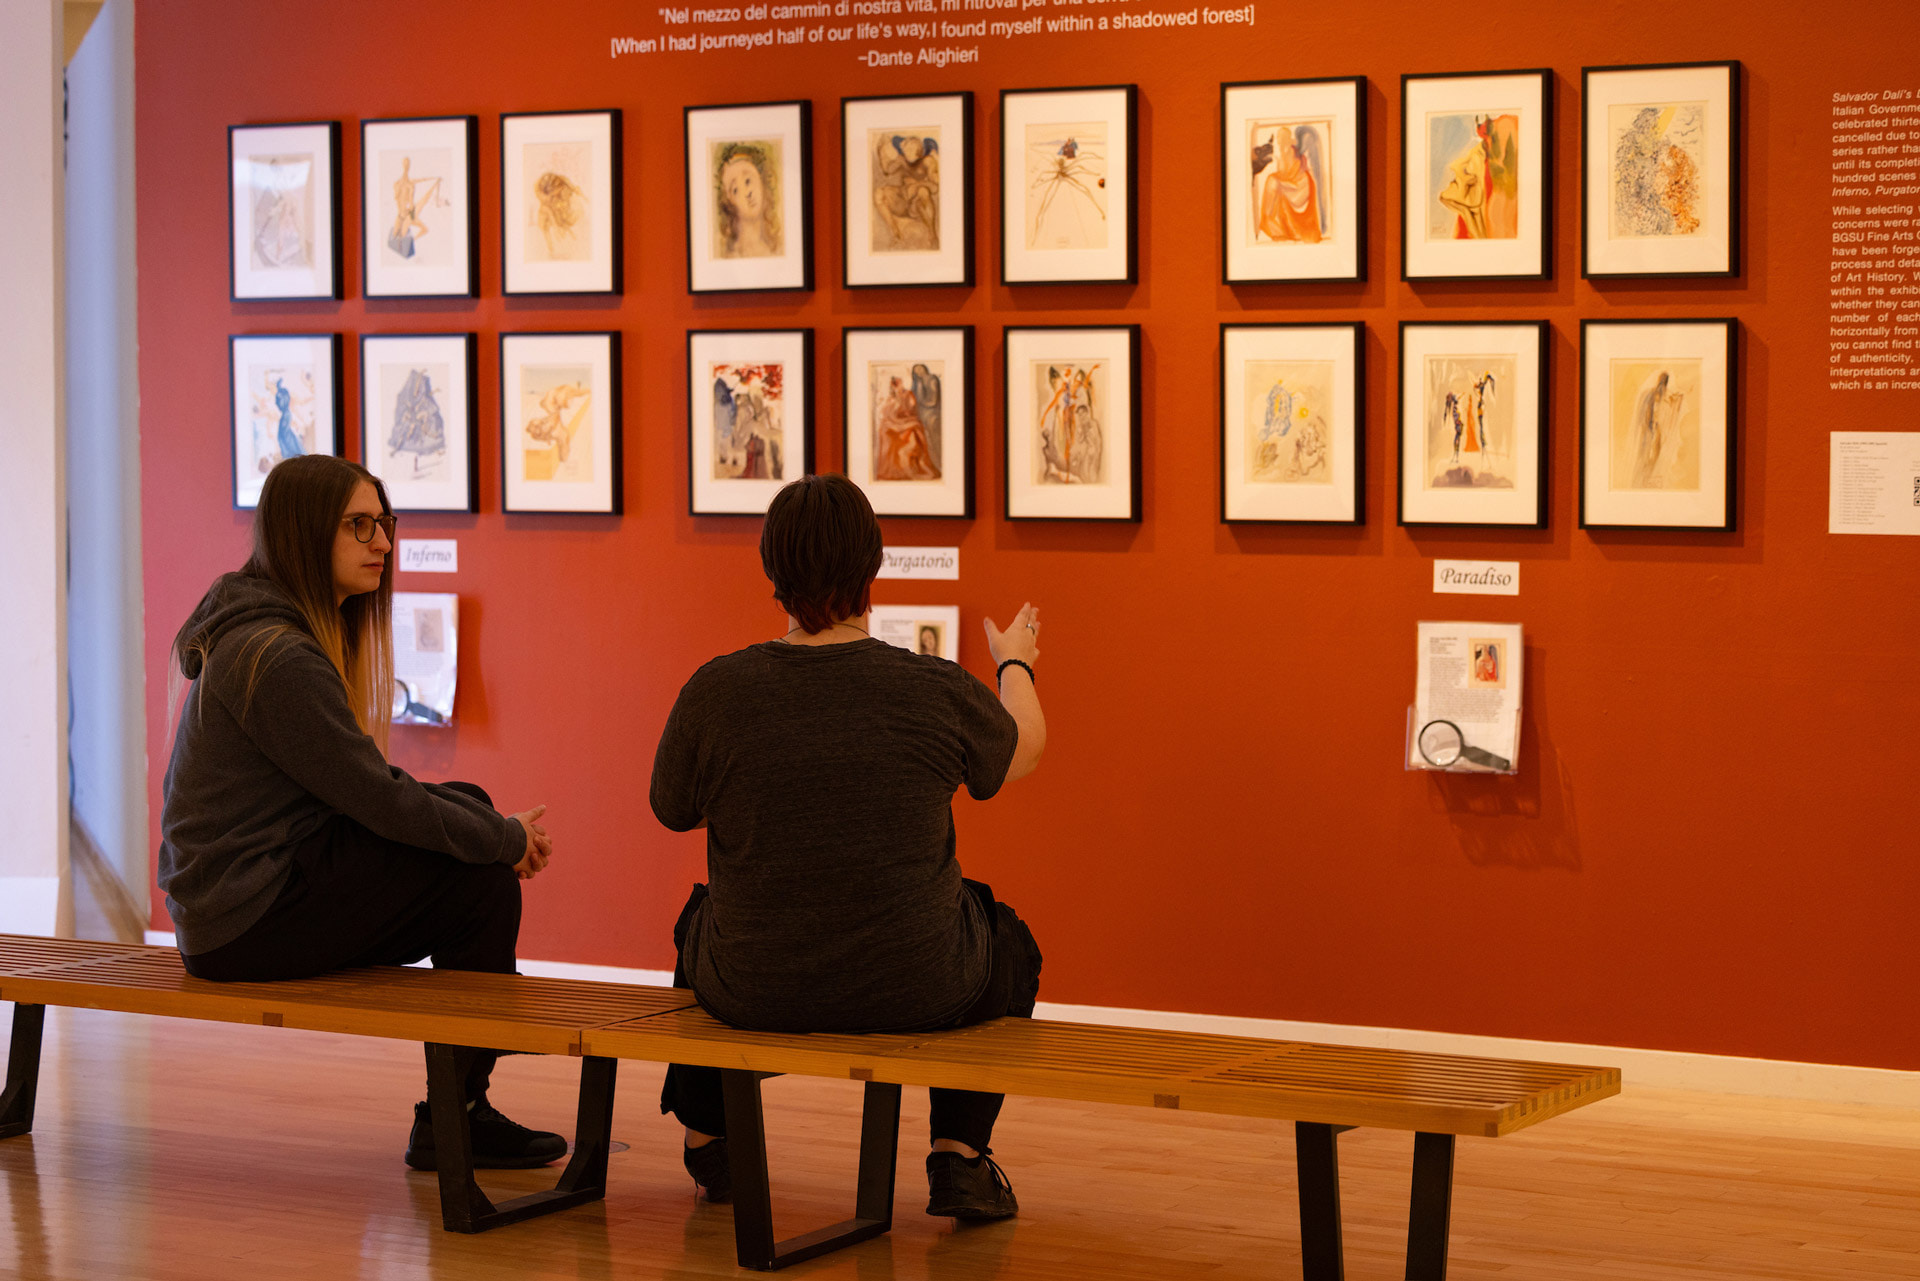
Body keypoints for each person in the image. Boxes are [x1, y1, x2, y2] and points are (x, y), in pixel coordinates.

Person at [650, 474, 1047, 1220]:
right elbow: (1021, 749)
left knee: (698, 921)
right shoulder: (929, 686)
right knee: (1008, 939)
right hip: (919, 985)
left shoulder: (717, 690)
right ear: (873, 568)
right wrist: (1015, 662)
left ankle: (709, 1138)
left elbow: (670, 808)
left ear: (772, 571)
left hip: (755, 985)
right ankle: (959, 1156)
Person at [157, 454, 564, 1171]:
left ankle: (461, 1100)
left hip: (250, 895)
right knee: (482, 883)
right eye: (359, 525)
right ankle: (457, 1115)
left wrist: (490, 827)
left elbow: (369, 788)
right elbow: (377, 799)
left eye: (384, 523)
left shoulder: (271, 633)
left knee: (467, 808)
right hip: (243, 919)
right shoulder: (275, 655)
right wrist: (503, 840)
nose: (382, 542)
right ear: (305, 535)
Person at [716, 144, 781, 258]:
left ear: (762, 182)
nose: (747, 193)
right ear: (730, 205)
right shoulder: (731, 255)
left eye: (748, 181)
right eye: (735, 190)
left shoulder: (776, 247)